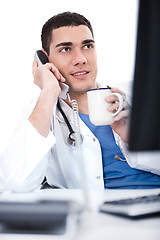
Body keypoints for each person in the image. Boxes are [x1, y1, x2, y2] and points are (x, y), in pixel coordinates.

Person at [0, 12, 160, 192]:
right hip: (107, 215)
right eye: (65, 49)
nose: (81, 59)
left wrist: (135, 137)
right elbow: (15, 184)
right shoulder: (41, 112)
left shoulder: (138, 94)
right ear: (45, 59)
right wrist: (49, 91)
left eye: (87, 46)